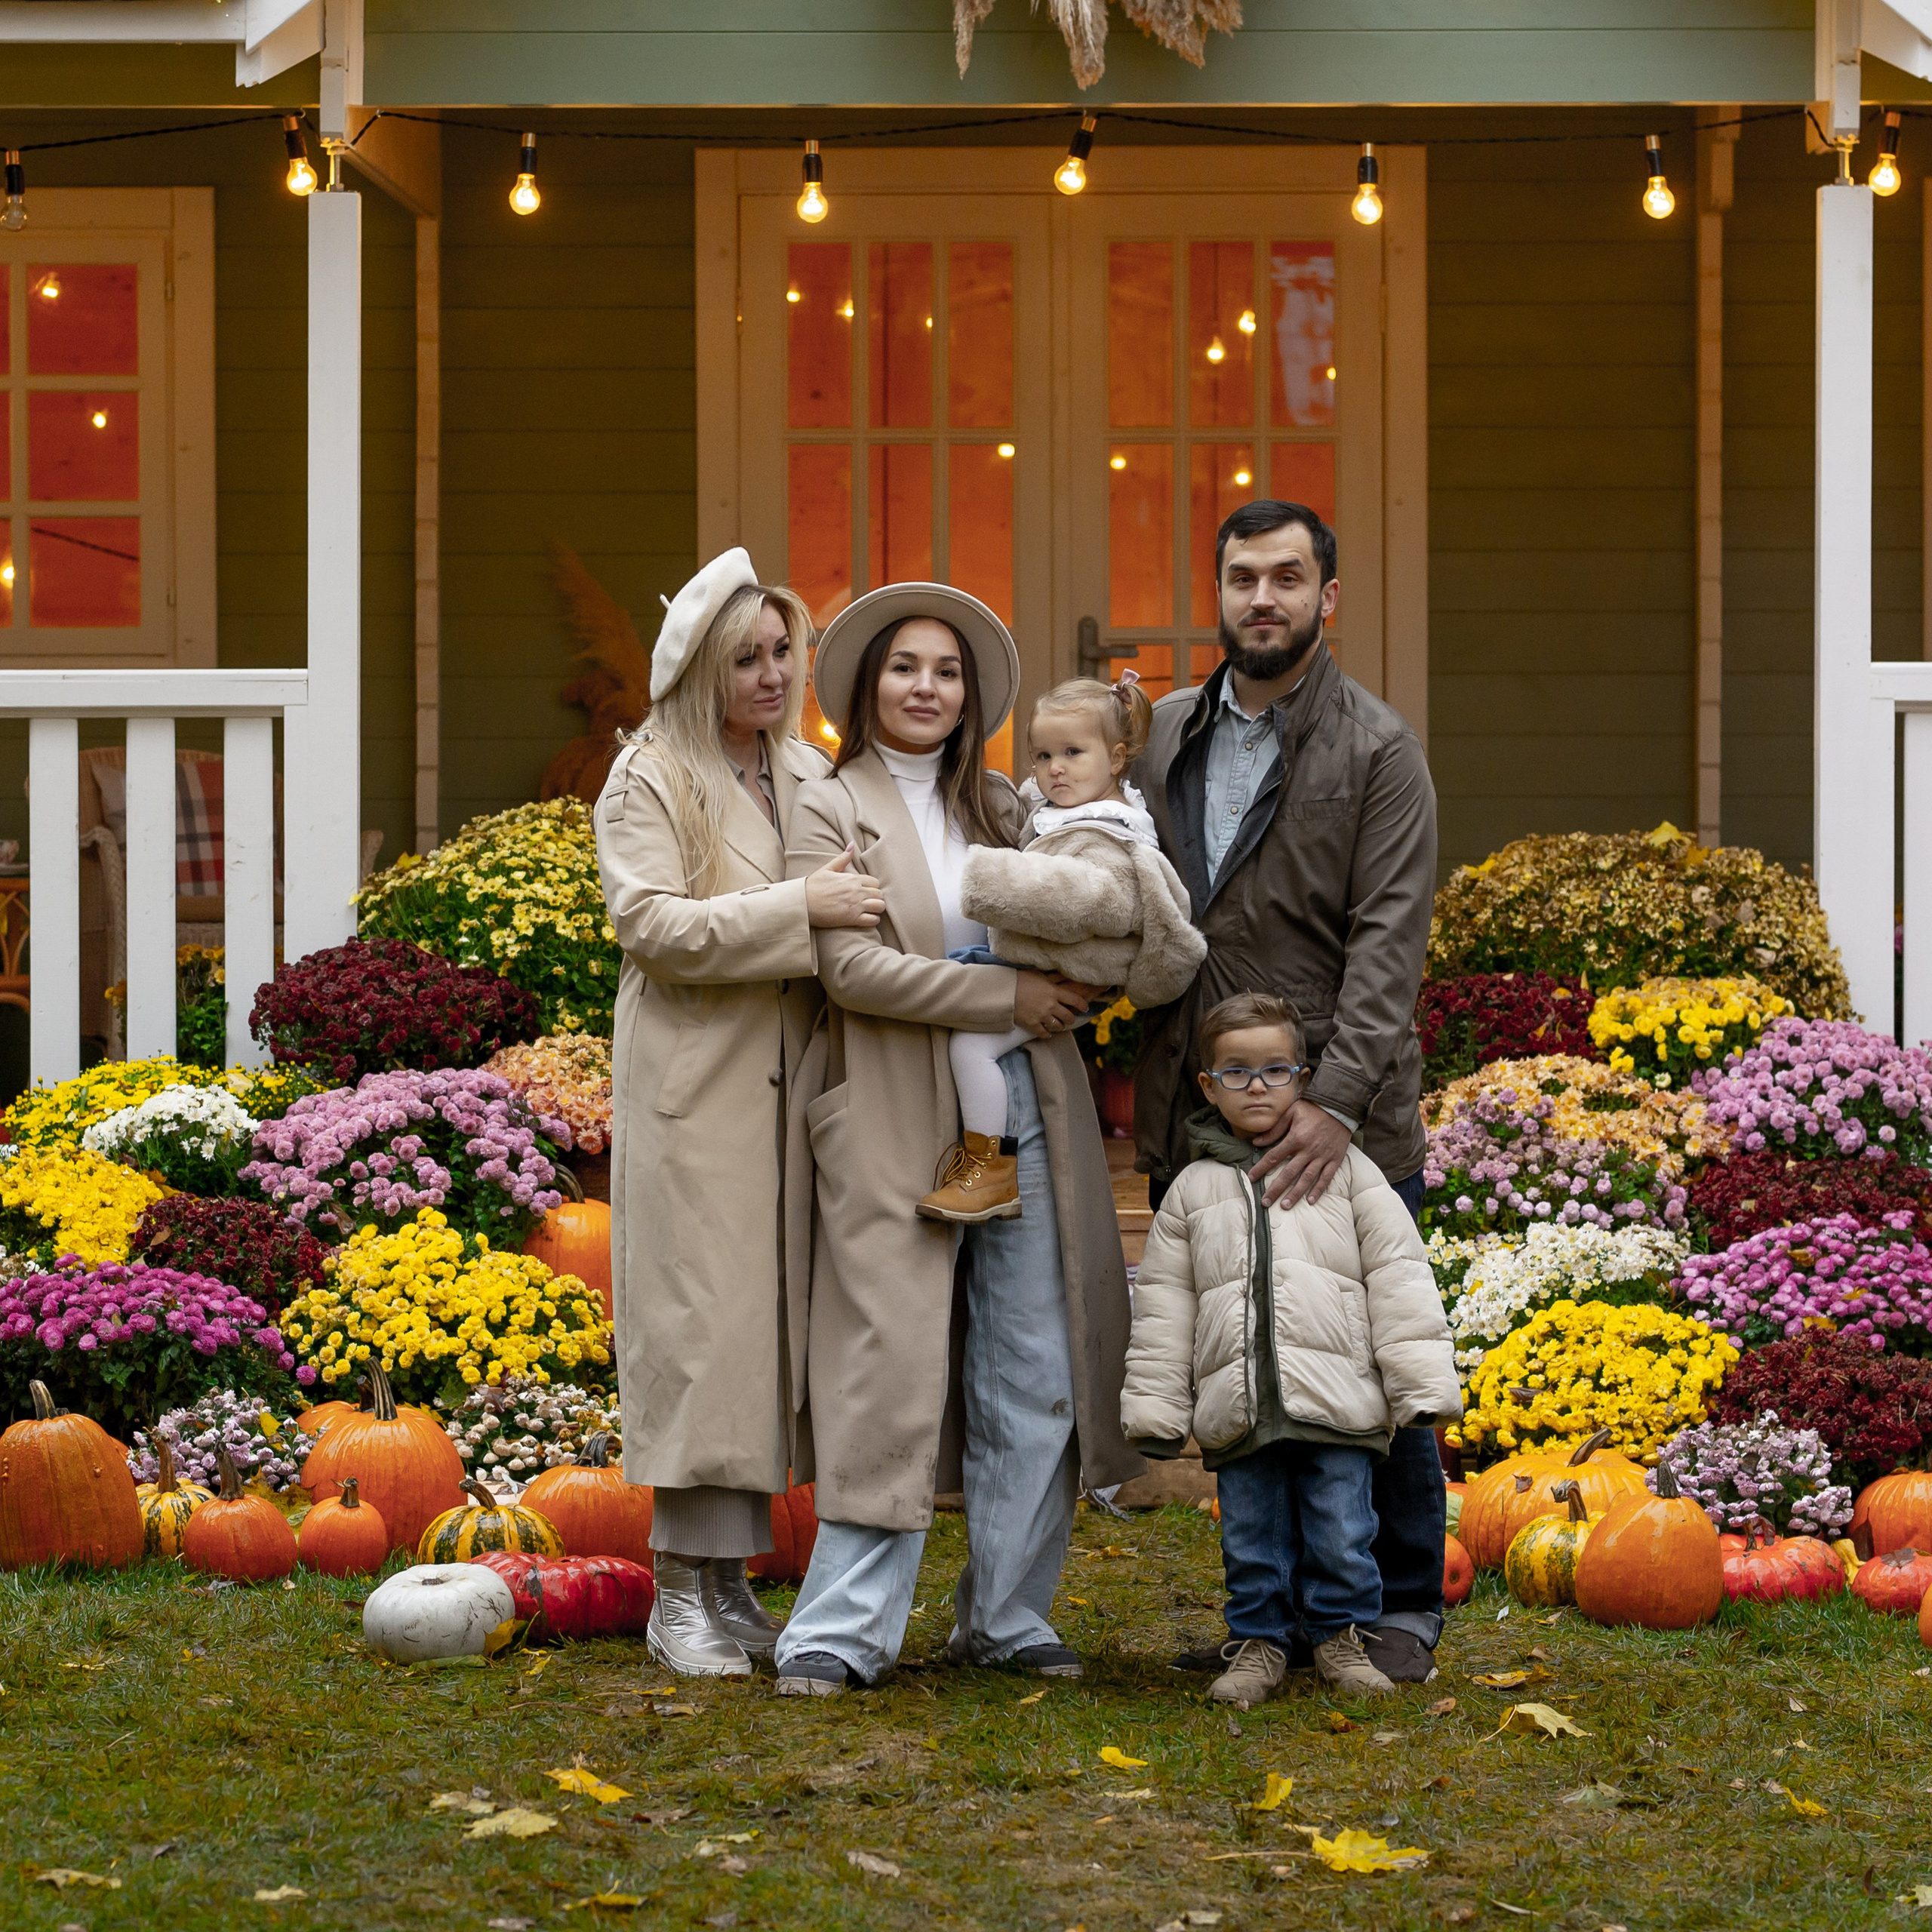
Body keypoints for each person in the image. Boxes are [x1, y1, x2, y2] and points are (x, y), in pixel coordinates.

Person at [774, 582, 1143, 1696]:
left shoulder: (1007, 805)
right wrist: (1007, 998)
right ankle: (839, 1633)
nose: (926, 686)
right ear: (864, 685)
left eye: (946, 671)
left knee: (1032, 1361)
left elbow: (1090, 914)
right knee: (887, 1365)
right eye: (904, 667)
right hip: (896, 1114)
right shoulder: (828, 805)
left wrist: (1089, 964)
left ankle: (1008, 1614)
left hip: (1024, 1117)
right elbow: (851, 969)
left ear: (970, 692)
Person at [1133, 498, 1447, 1684]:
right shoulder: (1164, 734)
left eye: (1287, 577)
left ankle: (1400, 1607)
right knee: (1243, 1361)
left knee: (1366, 1368)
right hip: (1201, 1111)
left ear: (1328, 599)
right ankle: (1269, 1618)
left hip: (1338, 1117)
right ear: (1218, 595)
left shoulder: (1376, 749)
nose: (1261, 598)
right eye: (1241, 578)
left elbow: (1389, 945)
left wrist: (1340, 1107)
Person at [595, 546, 886, 1679]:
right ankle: (679, 1591)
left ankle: (731, 1583)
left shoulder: (806, 772)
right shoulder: (648, 776)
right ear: (702, 668)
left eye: (782, 653)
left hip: (794, 1082)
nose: (772, 674)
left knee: (764, 1328)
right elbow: (653, 926)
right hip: (696, 1079)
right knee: (700, 1323)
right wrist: (800, 908)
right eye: (747, 658)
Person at [1121, 992, 1460, 1709]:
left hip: (1338, 1401)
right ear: (1208, 1085)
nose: (1257, 1087)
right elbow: (1164, 1305)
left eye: (1275, 1071)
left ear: (1303, 1079)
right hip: (1240, 1408)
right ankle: (1260, 1643)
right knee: (1252, 1535)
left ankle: (1341, 1636)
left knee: (1344, 1530)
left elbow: (1399, 1279)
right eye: (1236, 1073)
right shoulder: (1192, 1192)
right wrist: (1156, 1407)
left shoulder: (1353, 1175)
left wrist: (1421, 1382)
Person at [917, 672, 1205, 1224]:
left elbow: (1092, 898)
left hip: (1070, 976)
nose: (1055, 769)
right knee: (951, 989)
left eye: (1073, 752)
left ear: (1117, 758)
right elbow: (1038, 813)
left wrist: (988, 879)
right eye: (1042, 755)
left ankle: (989, 1169)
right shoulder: (1077, 805)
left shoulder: (1114, 831)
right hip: (1046, 968)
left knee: (970, 1048)